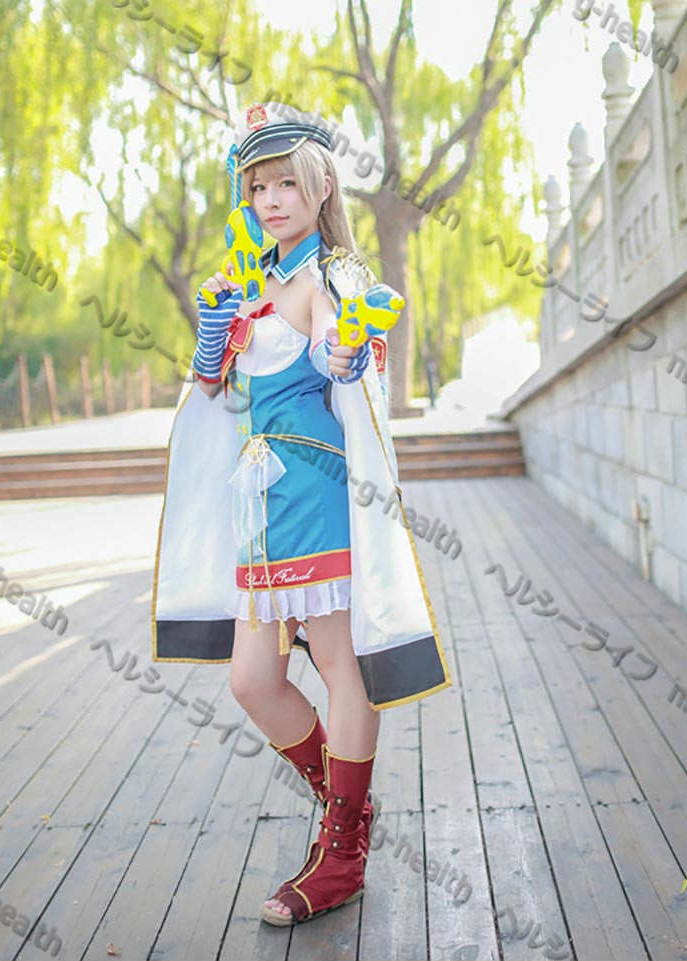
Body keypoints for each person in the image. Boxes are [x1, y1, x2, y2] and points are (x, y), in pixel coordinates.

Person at [151, 103, 452, 927]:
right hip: (259, 506)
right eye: (258, 187)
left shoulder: (329, 280)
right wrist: (214, 331)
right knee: (253, 679)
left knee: (339, 665)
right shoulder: (247, 281)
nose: (272, 199)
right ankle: (346, 806)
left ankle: (341, 854)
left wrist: (347, 350)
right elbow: (211, 387)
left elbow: (335, 354)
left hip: (316, 495)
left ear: (320, 188)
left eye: (286, 183)